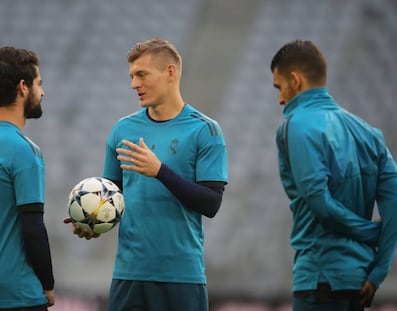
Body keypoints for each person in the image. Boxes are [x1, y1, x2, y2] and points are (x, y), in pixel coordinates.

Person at [64, 38, 228, 311]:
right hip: (129, 275)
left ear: (170, 72)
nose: (133, 84)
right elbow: (112, 197)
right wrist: (91, 220)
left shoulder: (205, 131)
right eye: (131, 76)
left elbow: (211, 203)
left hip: (181, 276)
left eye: (141, 75)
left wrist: (160, 171)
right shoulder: (122, 130)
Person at [270, 40, 397, 311]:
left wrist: (373, 233)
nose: (280, 99)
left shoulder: (295, 127)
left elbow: (320, 204)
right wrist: (379, 272)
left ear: (295, 80)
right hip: (359, 281)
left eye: (279, 87)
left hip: (320, 279)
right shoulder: (368, 131)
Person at [0, 47, 55, 310]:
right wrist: (48, 284)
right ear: (23, 87)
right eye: (39, 84)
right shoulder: (23, 150)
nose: (42, 92)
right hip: (17, 294)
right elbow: (32, 228)